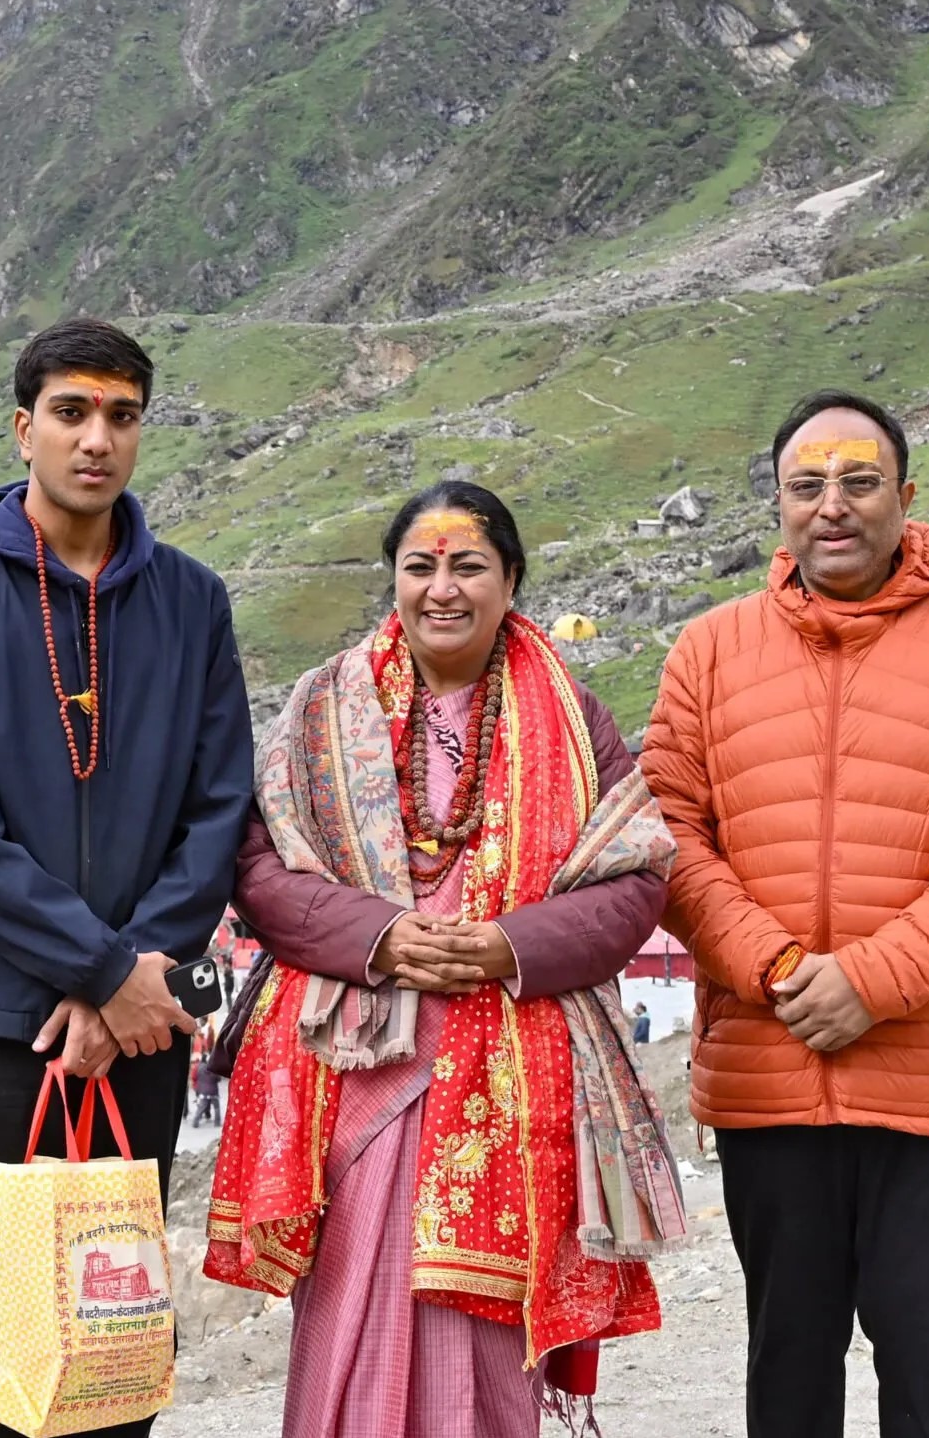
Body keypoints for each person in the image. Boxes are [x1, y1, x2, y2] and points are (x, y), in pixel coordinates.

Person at [213, 482, 677, 1435]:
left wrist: (509, 945)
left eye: (469, 565)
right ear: (393, 579)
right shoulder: (321, 707)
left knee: (484, 1336)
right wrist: (377, 936)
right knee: (351, 1304)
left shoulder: (575, 719)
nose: (442, 588)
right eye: (420, 566)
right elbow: (259, 866)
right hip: (359, 1063)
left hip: (514, 1064)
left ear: (511, 580)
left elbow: (635, 880)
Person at [642, 389, 929, 1438]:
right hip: (768, 1073)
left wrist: (870, 980)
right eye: (807, 484)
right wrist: (779, 967)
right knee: (787, 1371)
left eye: (859, 481)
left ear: (906, 497)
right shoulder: (706, 651)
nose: (833, 505)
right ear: (776, 505)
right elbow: (666, 837)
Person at [0, 318, 252, 1438]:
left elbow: (218, 806)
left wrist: (133, 983)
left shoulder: (191, 602)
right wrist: (101, 968)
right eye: (71, 411)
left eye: (122, 415)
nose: (96, 438)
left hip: (144, 1027)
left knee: (116, 1343)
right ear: (23, 427)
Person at [189, 1058, 220, 1128]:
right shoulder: (214, 1067)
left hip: (203, 1091)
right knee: (216, 1108)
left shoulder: (199, 1067)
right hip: (213, 1091)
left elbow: (195, 1077)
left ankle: (195, 1122)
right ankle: (217, 1123)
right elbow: (218, 1078)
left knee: (201, 1107)